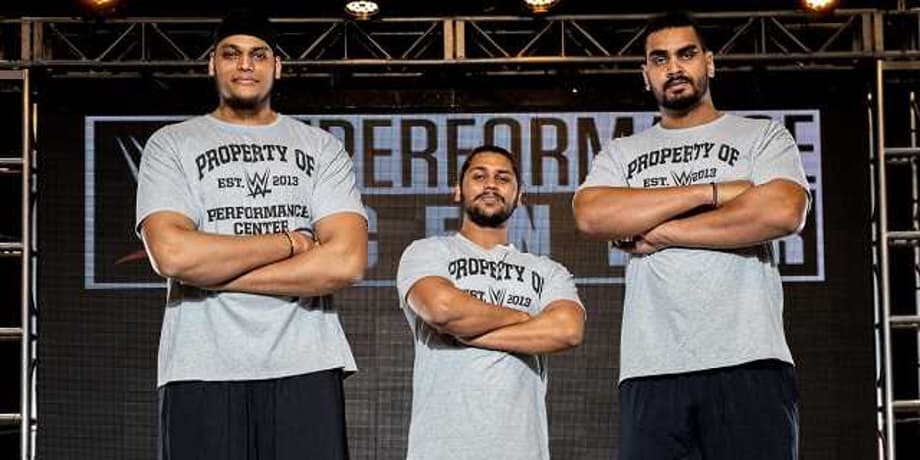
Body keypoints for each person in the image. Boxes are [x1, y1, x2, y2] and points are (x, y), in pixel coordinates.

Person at [573, 11, 809, 460]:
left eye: (686, 54)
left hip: (750, 358)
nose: (674, 67)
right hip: (651, 365)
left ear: (710, 62)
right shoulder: (622, 152)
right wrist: (714, 191)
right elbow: (591, 214)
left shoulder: (761, 136)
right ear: (646, 75)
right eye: (659, 59)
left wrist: (661, 232)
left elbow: (782, 211)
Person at [135, 9, 367, 460]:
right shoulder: (172, 143)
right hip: (199, 364)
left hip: (306, 363)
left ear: (277, 67)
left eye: (259, 55)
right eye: (232, 54)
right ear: (212, 64)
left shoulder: (320, 147)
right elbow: (173, 255)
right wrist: (291, 243)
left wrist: (213, 271)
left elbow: (345, 262)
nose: (246, 65)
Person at [396, 145, 586, 459]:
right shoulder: (428, 252)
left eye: (503, 178)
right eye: (479, 176)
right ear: (458, 190)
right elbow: (442, 309)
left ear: (519, 195)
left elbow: (567, 330)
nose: (491, 184)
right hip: (442, 449)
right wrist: (527, 318)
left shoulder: (547, 270)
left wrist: (465, 332)